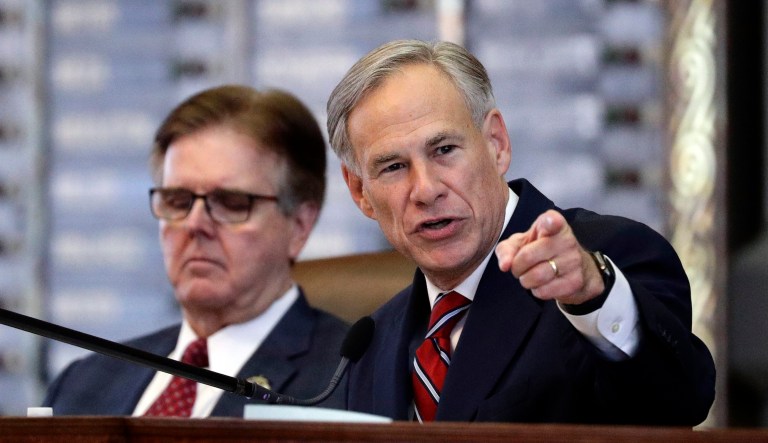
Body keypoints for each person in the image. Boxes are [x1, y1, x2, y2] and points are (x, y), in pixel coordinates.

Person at [326, 39, 716, 425]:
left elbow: (678, 403)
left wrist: (592, 297)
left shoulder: (610, 262)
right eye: (393, 167)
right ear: (361, 192)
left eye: (444, 149)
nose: (426, 190)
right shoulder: (369, 346)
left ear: (496, 143)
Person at [43, 85, 349, 417]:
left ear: (300, 225)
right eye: (177, 201)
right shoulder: (82, 384)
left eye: (231, 204)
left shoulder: (351, 380)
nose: (194, 224)